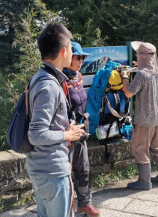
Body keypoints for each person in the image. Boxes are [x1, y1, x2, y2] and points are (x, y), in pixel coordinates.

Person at [26, 22, 85, 217]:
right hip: (52, 172)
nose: (71, 51)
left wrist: (64, 129)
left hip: (42, 168)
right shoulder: (49, 86)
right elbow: (36, 134)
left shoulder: (39, 77)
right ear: (62, 51)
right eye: (70, 47)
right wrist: (67, 134)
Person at [121, 41, 158, 190]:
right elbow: (146, 74)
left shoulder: (142, 75)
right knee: (155, 147)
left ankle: (144, 182)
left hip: (143, 120)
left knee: (139, 148)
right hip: (156, 119)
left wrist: (125, 77)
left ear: (142, 56)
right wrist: (139, 66)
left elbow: (129, 92)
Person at [63, 41, 101, 216]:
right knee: (67, 172)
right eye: (77, 57)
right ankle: (67, 207)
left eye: (82, 58)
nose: (81, 61)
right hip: (67, 135)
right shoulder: (60, 79)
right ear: (68, 57)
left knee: (83, 169)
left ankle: (85, 204)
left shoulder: (78, 76)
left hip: (81, 131)